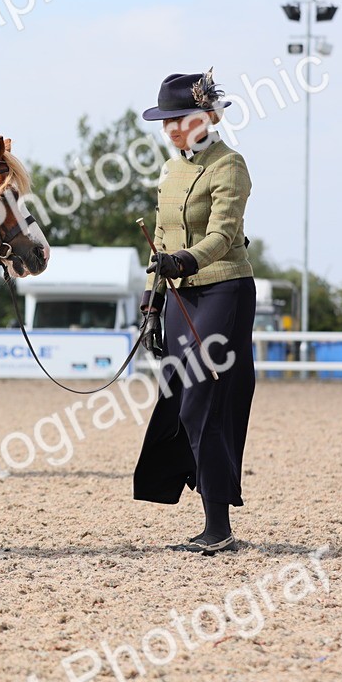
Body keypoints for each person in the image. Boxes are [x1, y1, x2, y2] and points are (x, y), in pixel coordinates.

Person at [133, 69, 256, 554]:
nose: (170, 129)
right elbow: (160, 238)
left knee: (200, 399)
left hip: (224, 290)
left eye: (178, 120)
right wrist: (153, 298)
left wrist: (182, 261)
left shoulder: (230, 165)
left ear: (206, 117)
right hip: (180, 295)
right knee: (182, 401)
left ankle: (217, 523)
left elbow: (224, 234)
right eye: (165, 122)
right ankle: (214, 520)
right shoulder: (170, 169)